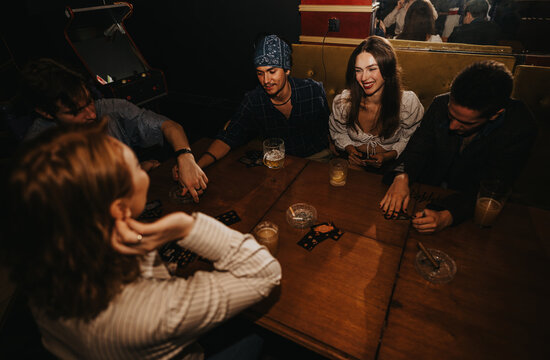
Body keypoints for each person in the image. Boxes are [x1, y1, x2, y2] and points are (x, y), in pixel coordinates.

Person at [1, 123, 281, 359]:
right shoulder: (154, 314)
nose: (146, 169)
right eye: (136, 166)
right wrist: (186, 226)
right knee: (261, 336)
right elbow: (264, 272)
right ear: (119, 208)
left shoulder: (45, 256)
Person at [16, 58, 207, 202]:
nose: (91, 114)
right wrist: (137, 171)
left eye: (89, 101)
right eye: (76, 111)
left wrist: (185, 158)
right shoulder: (39, 151)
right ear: (45, 113)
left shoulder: (110, 109)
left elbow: (170, 126)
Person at [380, 60, 537, 233]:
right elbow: (417, 149)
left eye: (465, 122)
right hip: (427, 192)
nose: (453, 126)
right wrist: (402, 175)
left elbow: (494, 185)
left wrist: (448, 216)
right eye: (451, 115)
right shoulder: (440, 104)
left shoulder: (519, 127)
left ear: (495, 115)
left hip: (469, 209)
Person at [196, 34, 330, 168]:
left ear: (287, 70)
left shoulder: (313, 90)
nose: (266, 80)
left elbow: (329, 129)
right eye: (260, 73)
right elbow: (229, 136)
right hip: (279, 164)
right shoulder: (254, 99)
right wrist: (196, 166)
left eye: (272, 71)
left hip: (315, 160)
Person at [329, 36, 424, 172]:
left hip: (393, 164)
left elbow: (411, 138)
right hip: (353, 162)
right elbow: (338, 132)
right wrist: (350, 150)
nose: (364, 78)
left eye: (372, 69)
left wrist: (387, 156)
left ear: (388, 69)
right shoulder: (344, 103)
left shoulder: (407, 104)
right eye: (358, 70)